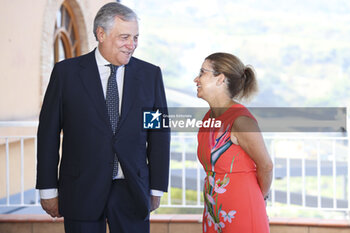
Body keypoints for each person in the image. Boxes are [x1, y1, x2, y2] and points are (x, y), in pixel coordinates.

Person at [36, 2, 170, 233]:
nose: (132, 45)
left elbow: (159, 134)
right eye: (124, 37)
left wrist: (156, 188)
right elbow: (48, 134)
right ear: (101, 34)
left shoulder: (151, 75)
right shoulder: (65, 73)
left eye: (136, 37)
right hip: (80, 189)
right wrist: (48, 189)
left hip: (133, 190)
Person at [194, 52, 273, 233]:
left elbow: (266, 165)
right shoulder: (209, 118)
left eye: (202, 73)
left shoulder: (241, 120)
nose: (196, 79)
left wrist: (259, 200)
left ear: (220, 79)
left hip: (243, 208)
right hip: (214, 211)